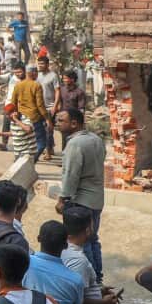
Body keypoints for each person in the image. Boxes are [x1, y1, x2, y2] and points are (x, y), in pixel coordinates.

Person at [62, 206, 121, 304]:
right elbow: (77, 301)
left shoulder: (62, 250)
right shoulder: (78, 261)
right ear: (88, 229)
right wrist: (105, 302)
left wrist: (97, 291)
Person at [55, 108, 105, 281]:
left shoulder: (75, 144)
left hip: (81, 201)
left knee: (82, 243)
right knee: (92, 239)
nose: (58, 123)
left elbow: (71, 174)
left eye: (61, 120)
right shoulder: (96, 139)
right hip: (96, 199)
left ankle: (90, 280)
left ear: (74, 123)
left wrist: (62, 199)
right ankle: (97, 277)